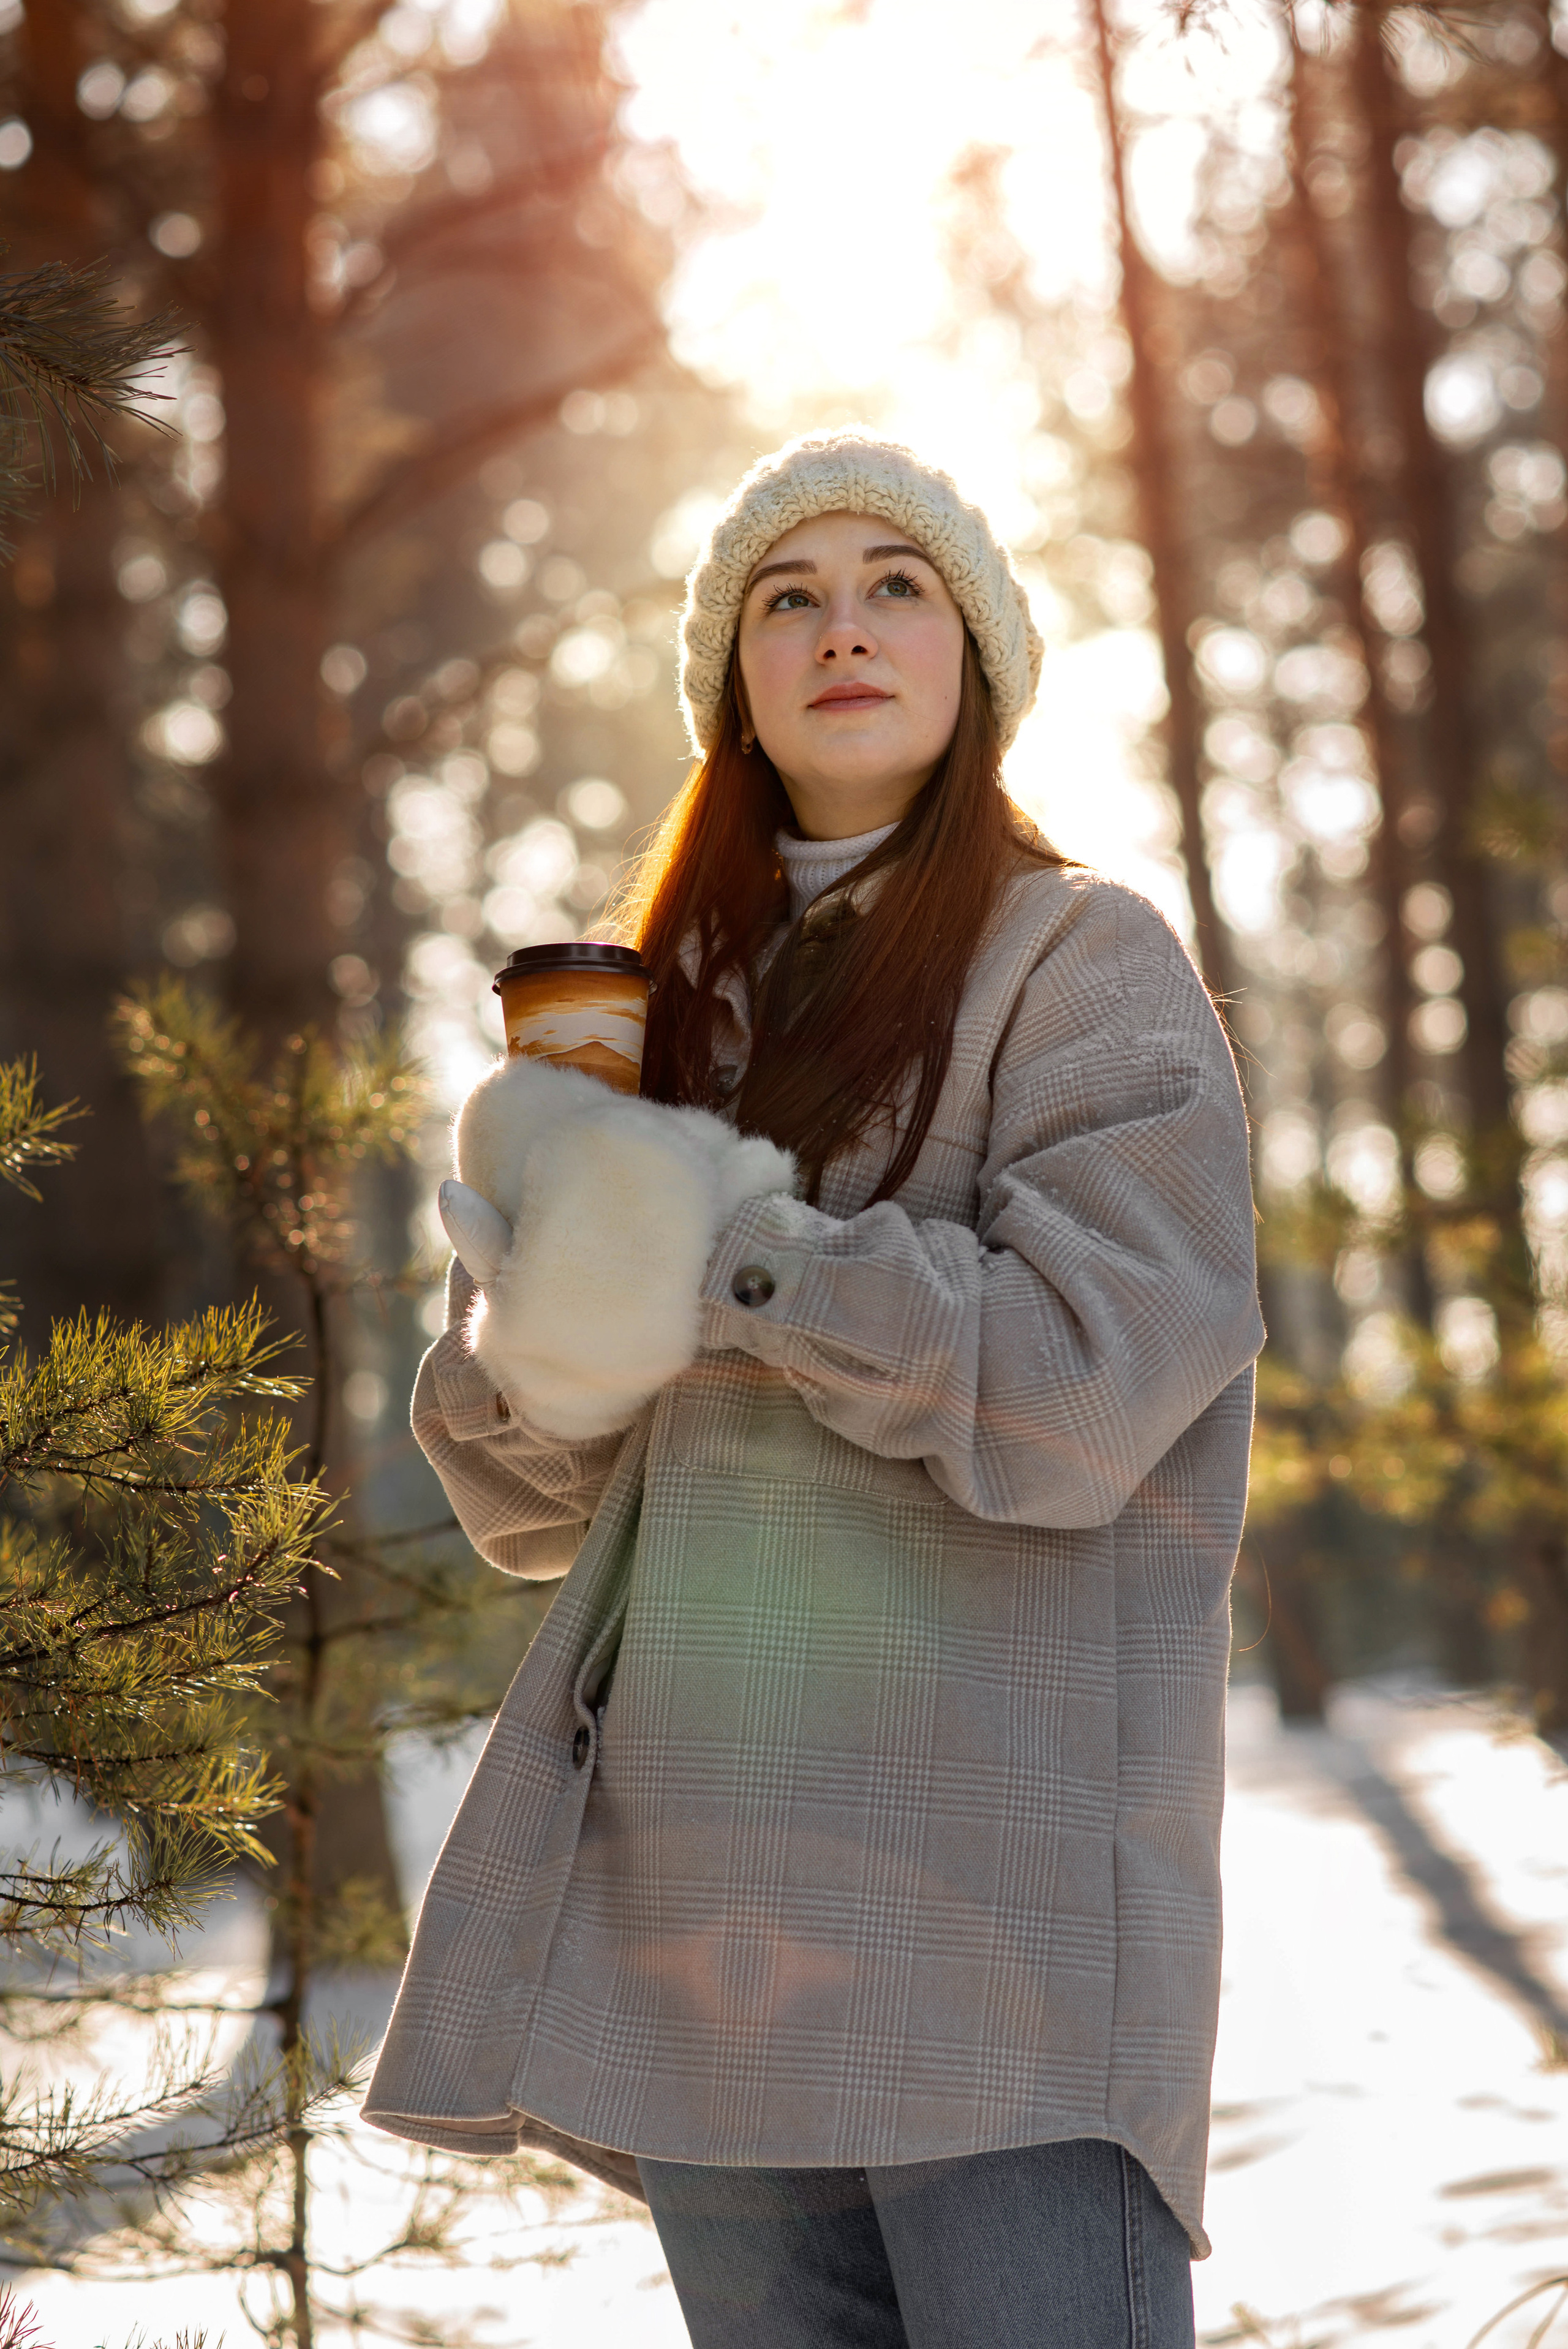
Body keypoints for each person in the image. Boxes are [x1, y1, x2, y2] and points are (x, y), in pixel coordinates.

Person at [364, 430, 1264, 2347]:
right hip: (718, 1932)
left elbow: (1086, 1393)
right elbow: (533, 1506)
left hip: (999, 1944)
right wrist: (531, 1297)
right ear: (736, 680)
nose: (839, 625)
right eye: (790, 595)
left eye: (893, 585)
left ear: (978, 657)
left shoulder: (1081, 961)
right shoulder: (650, 1019)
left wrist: (745, 1250)